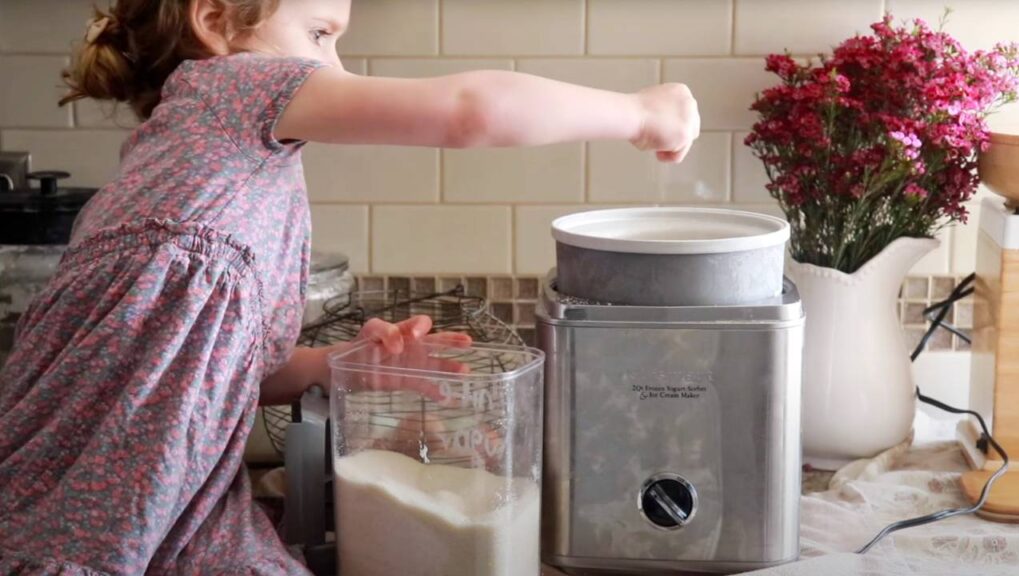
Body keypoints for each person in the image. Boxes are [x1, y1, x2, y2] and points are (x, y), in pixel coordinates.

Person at [0, 0, 701, 573]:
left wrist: (346, 369)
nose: (335, 66)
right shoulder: (226, 86)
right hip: (74, 520)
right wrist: (641, 113)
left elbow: (212, 374)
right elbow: (469, 111)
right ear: (214, 22)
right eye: (318, 35)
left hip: (174, 512)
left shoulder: (201, 167)